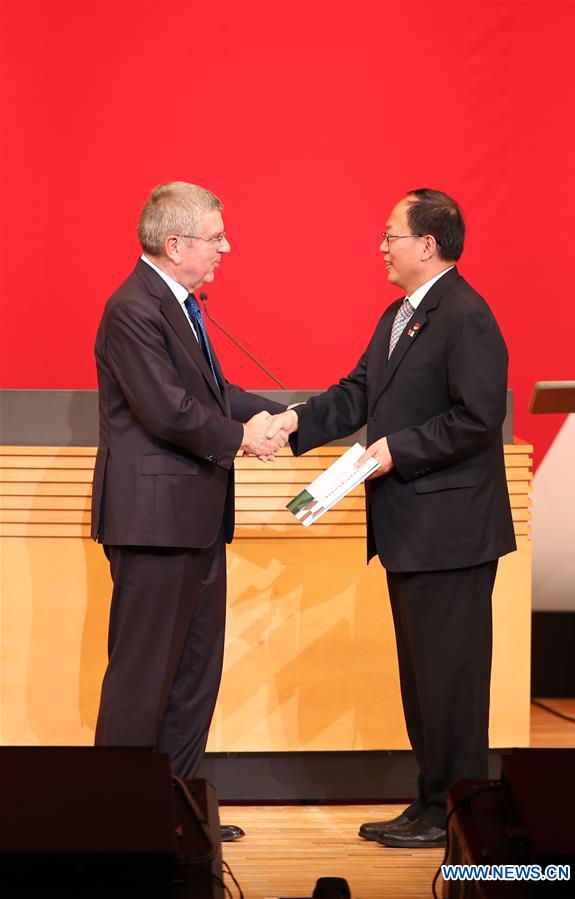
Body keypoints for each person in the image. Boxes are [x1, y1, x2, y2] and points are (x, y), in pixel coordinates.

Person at [266, 189, 516, 848]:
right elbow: (358, 392)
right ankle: (430, 801)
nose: (381, 247)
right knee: (423, 680)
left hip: (451, 533)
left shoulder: (466, 315)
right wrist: (294, 421)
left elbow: (477, 416)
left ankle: (458, 817)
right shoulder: (399, 314)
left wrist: (396, 448)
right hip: (410, 531)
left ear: (427, 244)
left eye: (390, 236)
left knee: (453, 685)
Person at [91, 181, 287, 840]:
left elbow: (215, 391)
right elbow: (166, 409)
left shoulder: (179, 304)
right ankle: (118, 812)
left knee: (193, 675)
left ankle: (174, 807)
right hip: (153, 524)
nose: (225, 248)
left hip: (196, 519)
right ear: (175, 244)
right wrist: (242, 437)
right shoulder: (132, 308)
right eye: (215, 237)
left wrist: (284, 417)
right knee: (144, 674)